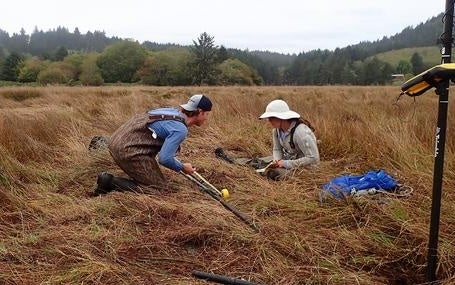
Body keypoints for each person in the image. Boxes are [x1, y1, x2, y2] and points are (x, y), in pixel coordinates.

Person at [94, 94, 213, 195]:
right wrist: (182, 167)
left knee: (153, 177)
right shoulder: (180, 129)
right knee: (159, 190)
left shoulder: (172, 112)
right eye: (207, 114)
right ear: (200, 112)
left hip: (116, 140)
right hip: (127, 150)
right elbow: (164, 159)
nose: (206, 119)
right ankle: (109, 182)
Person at [215, 99, 319, 180]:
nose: (268, 121)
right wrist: (277, 160)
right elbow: (277, 149)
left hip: (304, 169)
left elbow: (313, 158)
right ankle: (233, 161)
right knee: (259, 161)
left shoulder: (301, 132)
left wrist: (286, 164)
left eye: (271, 118)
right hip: (287, 160)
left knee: (275, 173)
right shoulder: (277, 131)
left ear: (281, 117)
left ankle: (264, 172)